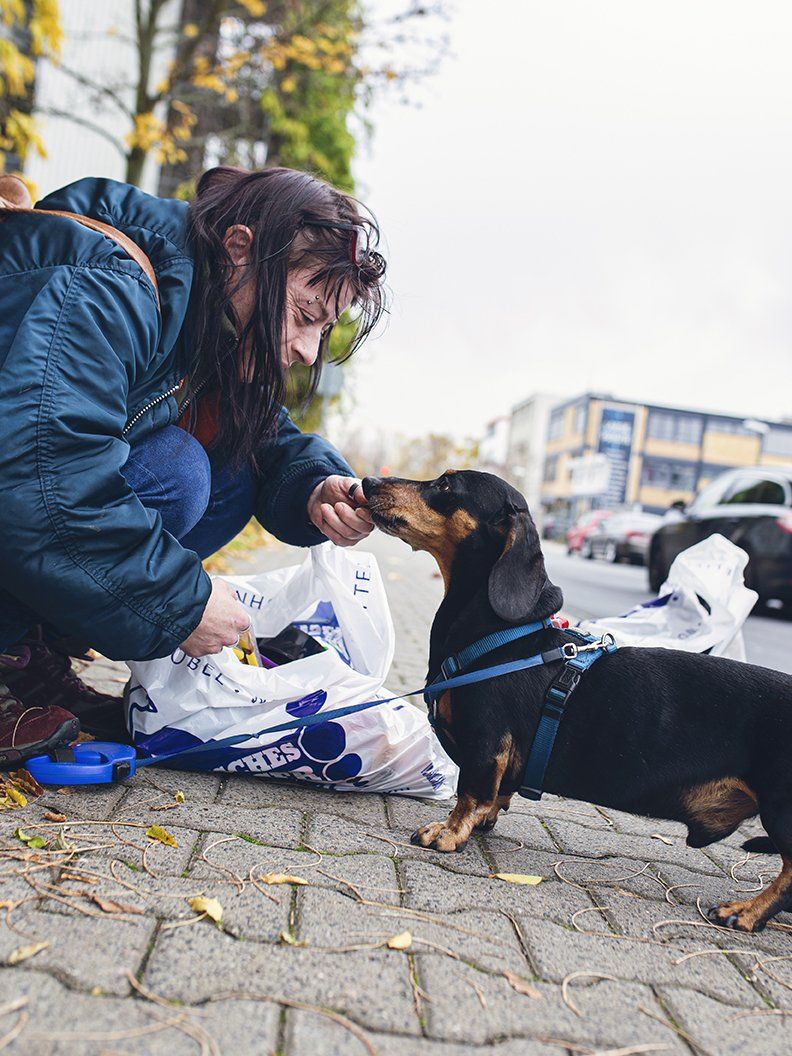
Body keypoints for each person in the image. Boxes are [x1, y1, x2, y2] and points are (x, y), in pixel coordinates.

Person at [0, 166, 387, 765]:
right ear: (239, 250)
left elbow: (260, 436)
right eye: (306, 315)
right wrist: (179, 602)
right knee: (178, 470)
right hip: (22, 485)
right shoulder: (104, 284)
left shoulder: (201, 304)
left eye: (324, 328)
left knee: (223, 470)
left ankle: (21, 652)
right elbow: (42, 477)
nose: (309, 350)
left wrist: (313, 486)